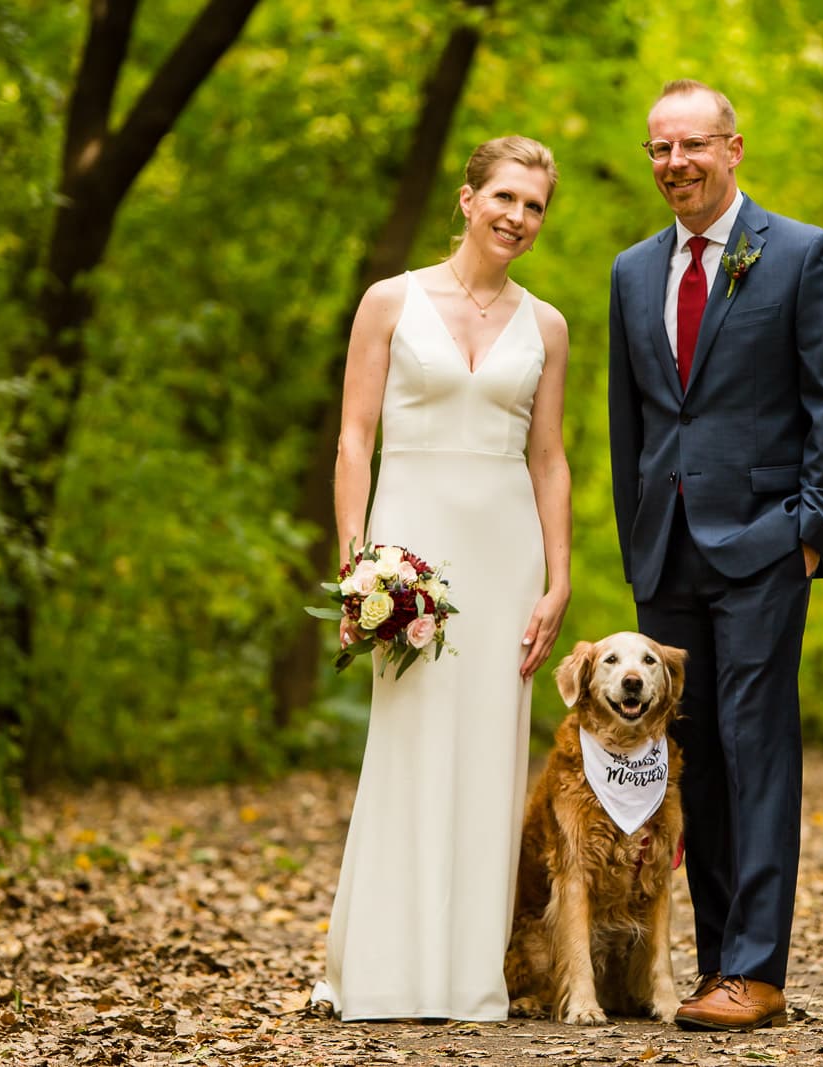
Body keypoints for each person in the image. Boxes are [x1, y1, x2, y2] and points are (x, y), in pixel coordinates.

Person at [607, 81, 823, 1031]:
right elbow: (631, 422)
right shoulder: (633, 272)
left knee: (756, 749)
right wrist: (637, 539)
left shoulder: (803, 255)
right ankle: (715, 961)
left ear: (733, 148)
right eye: (659, 150)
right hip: (666, 555)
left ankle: (756, 969)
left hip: (766, 546)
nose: (675, 163)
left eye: (692, 145)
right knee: (691, 764)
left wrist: (812, 532)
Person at [312, 135, 572, 1022]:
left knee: (492, 751)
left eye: (534, 206)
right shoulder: (391, 301)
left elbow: (548, 458)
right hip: (409, 551)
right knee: (408, 741)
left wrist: (559, 579)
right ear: (467, 199)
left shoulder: (547, 326)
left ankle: (468, 975)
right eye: (504, 196)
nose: (517, 217)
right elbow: (354, 437)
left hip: (508, 552)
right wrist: (357, 562)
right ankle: (380, 966)